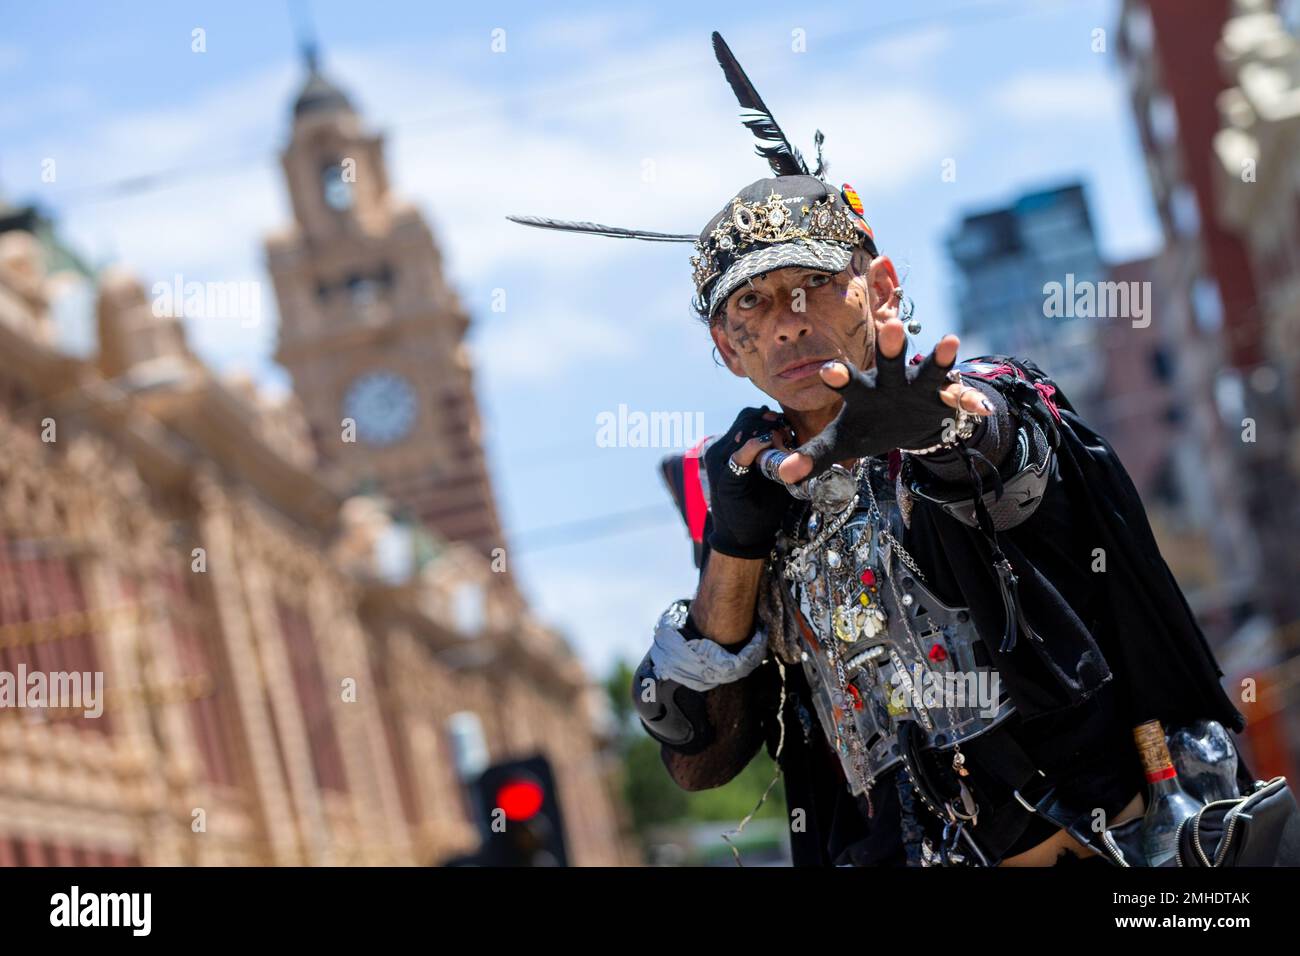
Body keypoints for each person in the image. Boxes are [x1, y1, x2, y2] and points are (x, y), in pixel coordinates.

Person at [509, 33, 1250, 866]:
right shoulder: (750, 484)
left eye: (814, 284)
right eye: (753, 303)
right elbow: (700, 755)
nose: (788, 319)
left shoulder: (985, 393)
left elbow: (1008, 456)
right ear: (728, 347)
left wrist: (941, 430)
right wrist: (734, 537)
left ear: (883, 286)